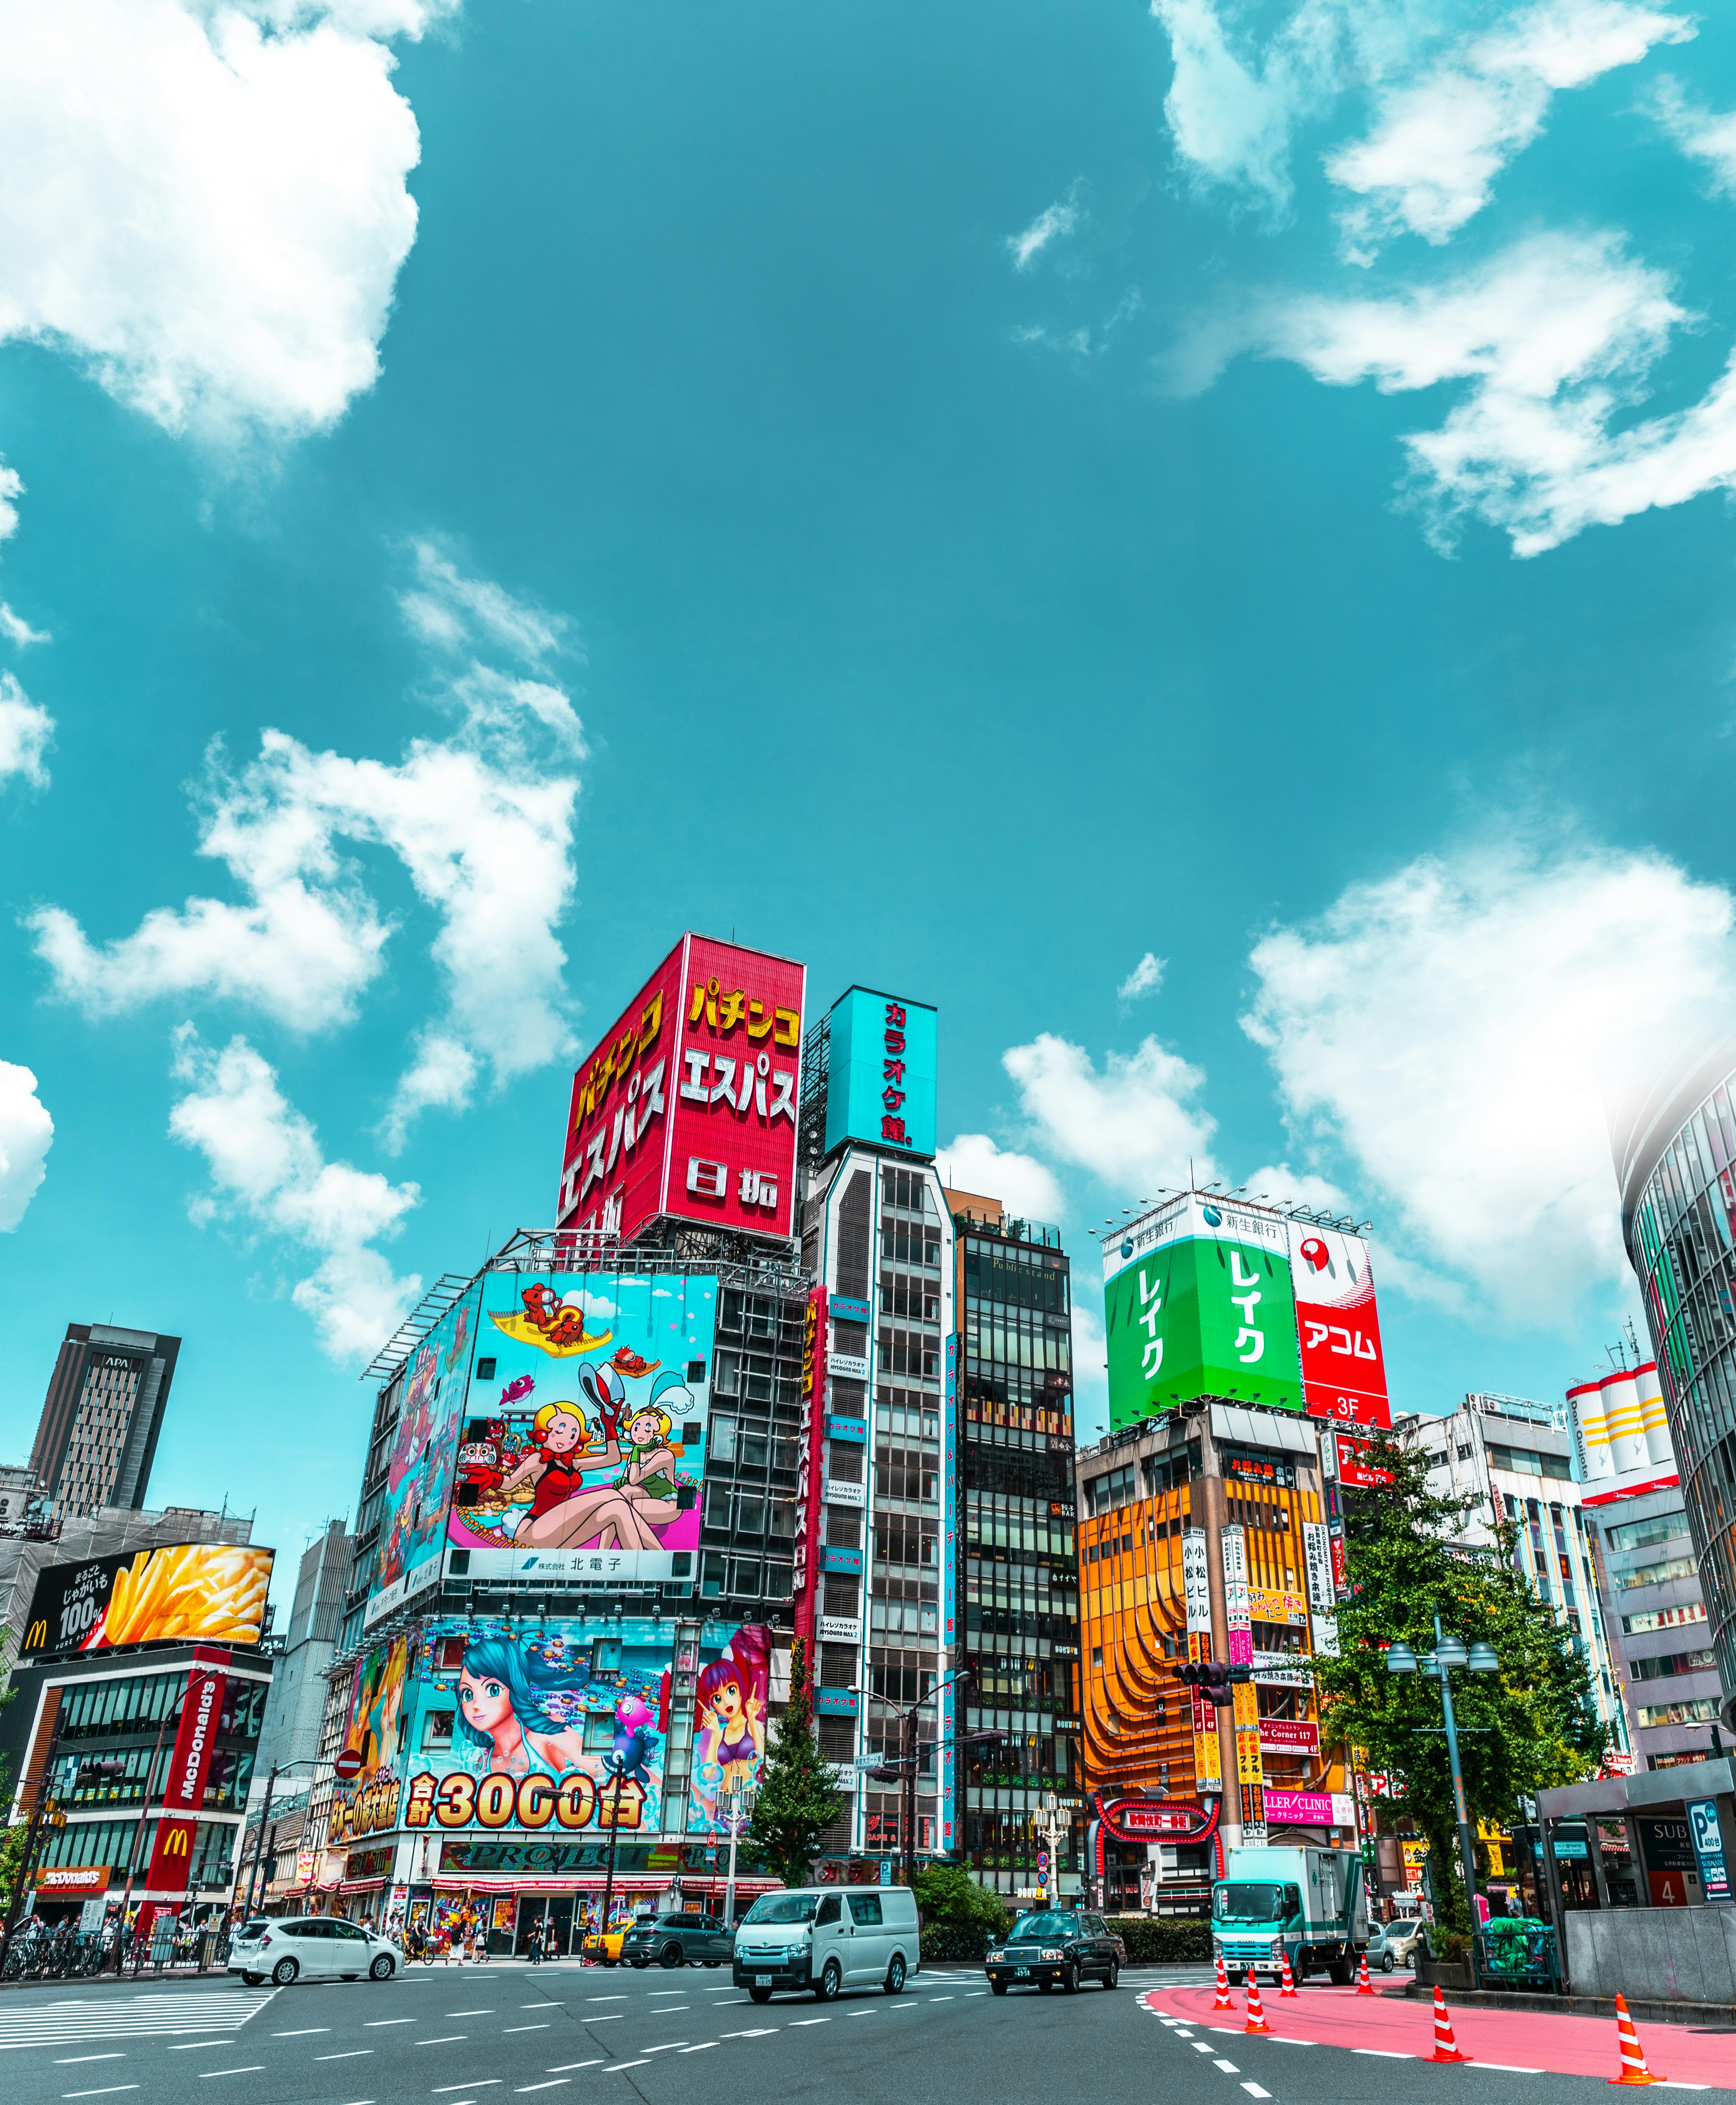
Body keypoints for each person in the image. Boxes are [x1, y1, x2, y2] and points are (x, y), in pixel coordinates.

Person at [455, 1635, 593, 1779]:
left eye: (493, 1690)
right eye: (468, 1694)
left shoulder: (546, 1733)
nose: (476, 1705)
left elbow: (602, 1774)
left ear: (516, 1687)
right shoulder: (483, 1763)